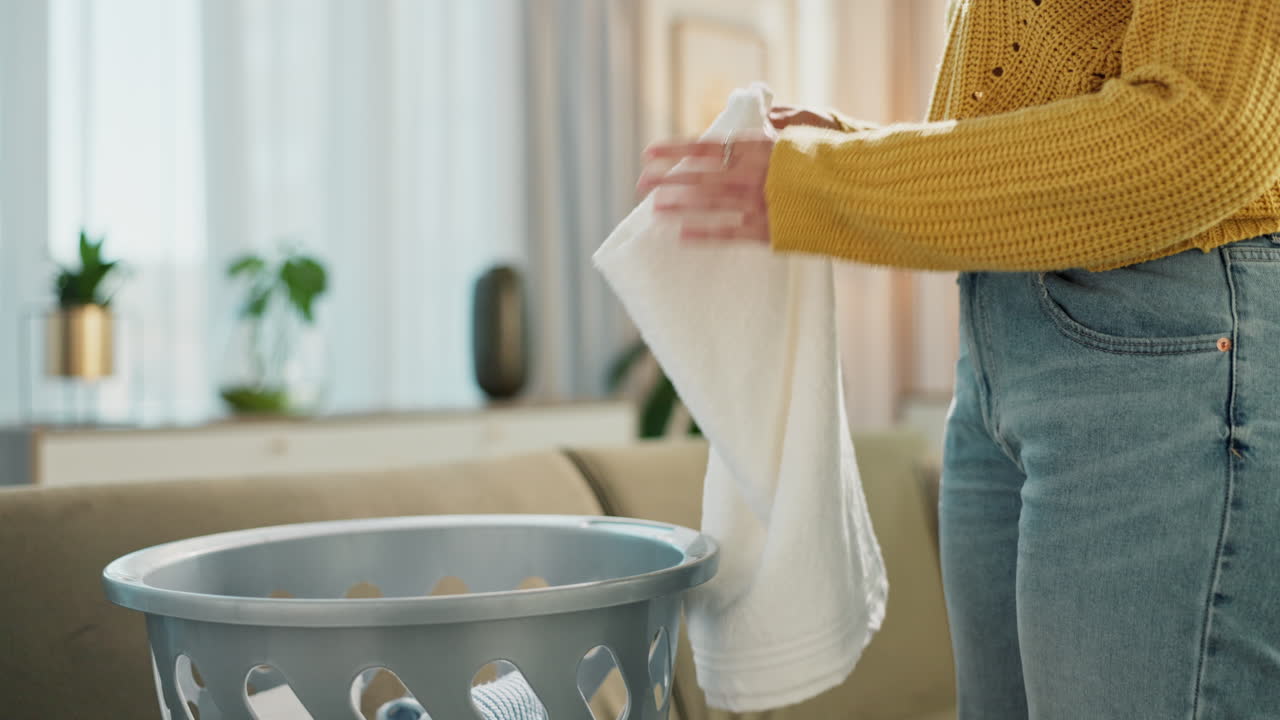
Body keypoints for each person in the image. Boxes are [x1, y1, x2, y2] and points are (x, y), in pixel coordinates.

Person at [636, 1, 1280, 718]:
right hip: (1002, 345)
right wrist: (857, 148)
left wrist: (834, 181)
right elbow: (1060, 81)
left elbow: (1204, 135)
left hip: (1164, 342)